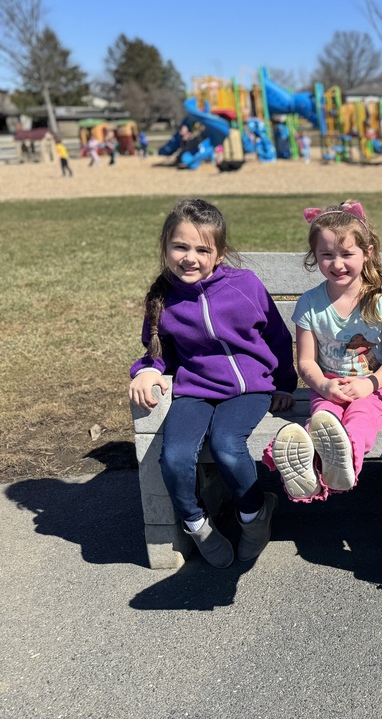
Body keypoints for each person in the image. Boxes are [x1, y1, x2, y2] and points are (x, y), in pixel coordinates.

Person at [128, 199, 297, 568]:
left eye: (202, 249)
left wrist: (284, 383)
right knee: (173, 456)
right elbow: (158, 350)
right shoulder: (164, 298)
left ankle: (254, 517)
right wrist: (147, 370)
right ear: (166, 247)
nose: (190, 257)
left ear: (219, 254)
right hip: (195, 391)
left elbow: (278, 338)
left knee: (226, 445)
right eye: (180, 246)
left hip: (250, 389)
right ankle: (197, 524)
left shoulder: (244, 285)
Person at [267, 202, 382, 504]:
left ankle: (341, 466)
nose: (337, 263)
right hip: (327, 385)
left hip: (374, 386)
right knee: (322, 422)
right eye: (327, 254)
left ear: (366, 252)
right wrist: (324, 386)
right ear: (314, 256)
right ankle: (307, 475)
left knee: (360, 419)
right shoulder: (310, 303)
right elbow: (305, 361)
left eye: (347, 254)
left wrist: (367, 385)